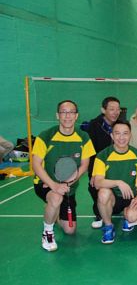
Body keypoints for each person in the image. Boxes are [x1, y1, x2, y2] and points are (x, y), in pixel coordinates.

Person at [32, 100, 96, 251]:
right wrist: (54, 185)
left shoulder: (83, 137)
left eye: (71, 112)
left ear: (76, 116)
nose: (67, 116)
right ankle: (47, 232)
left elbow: (84, 165)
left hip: (69, 187)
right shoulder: (45, 136)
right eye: (63, 112)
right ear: (57, 115)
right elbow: (36, 165)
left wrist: (67, 184)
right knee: (55, 197)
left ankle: (52, 211)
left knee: (69, 230)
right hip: (45, 182)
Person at [93, 120, 137, 244]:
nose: (121, 137)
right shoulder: (103, 156)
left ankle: (127, 215)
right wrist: (118, 182)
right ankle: (108, 226)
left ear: (130, 135)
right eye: (117, 133)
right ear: (112, 135)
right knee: (103, 193)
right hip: (113, 197)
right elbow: (98, 182)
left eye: (125, 133)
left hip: (132, 196)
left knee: (133, 217)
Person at [86, 96, 121, 229]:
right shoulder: (94, 126)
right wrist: (94, 173)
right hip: (98, 166)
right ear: (103, 110)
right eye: (111, 109)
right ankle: (99, 214)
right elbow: (90, 153)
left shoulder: (121, 124)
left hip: (116, 166)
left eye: (118, 109)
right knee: (96, 188)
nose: (115, 112)